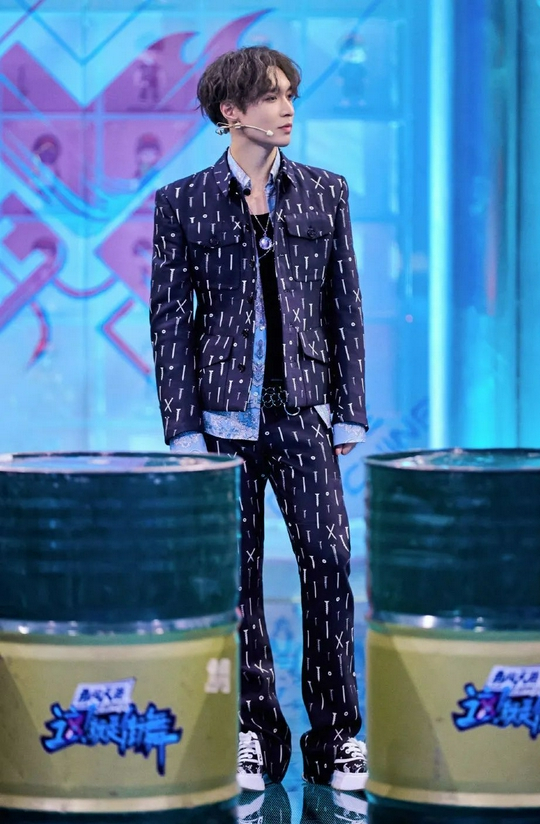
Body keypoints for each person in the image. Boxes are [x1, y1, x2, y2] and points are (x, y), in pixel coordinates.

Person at [149, 46, 368, 793]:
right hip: (221, 422)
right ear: (230, 112)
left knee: (330, 563)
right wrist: (183, 426)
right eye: (271, 97)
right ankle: (255, 733)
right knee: (235, 578)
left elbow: (345, 306)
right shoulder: (182, 202)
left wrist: (351, 410)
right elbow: (169, 321)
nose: (287, 109)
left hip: (304, 414)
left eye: (290, 95)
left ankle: (336, 739)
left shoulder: (325, 192)